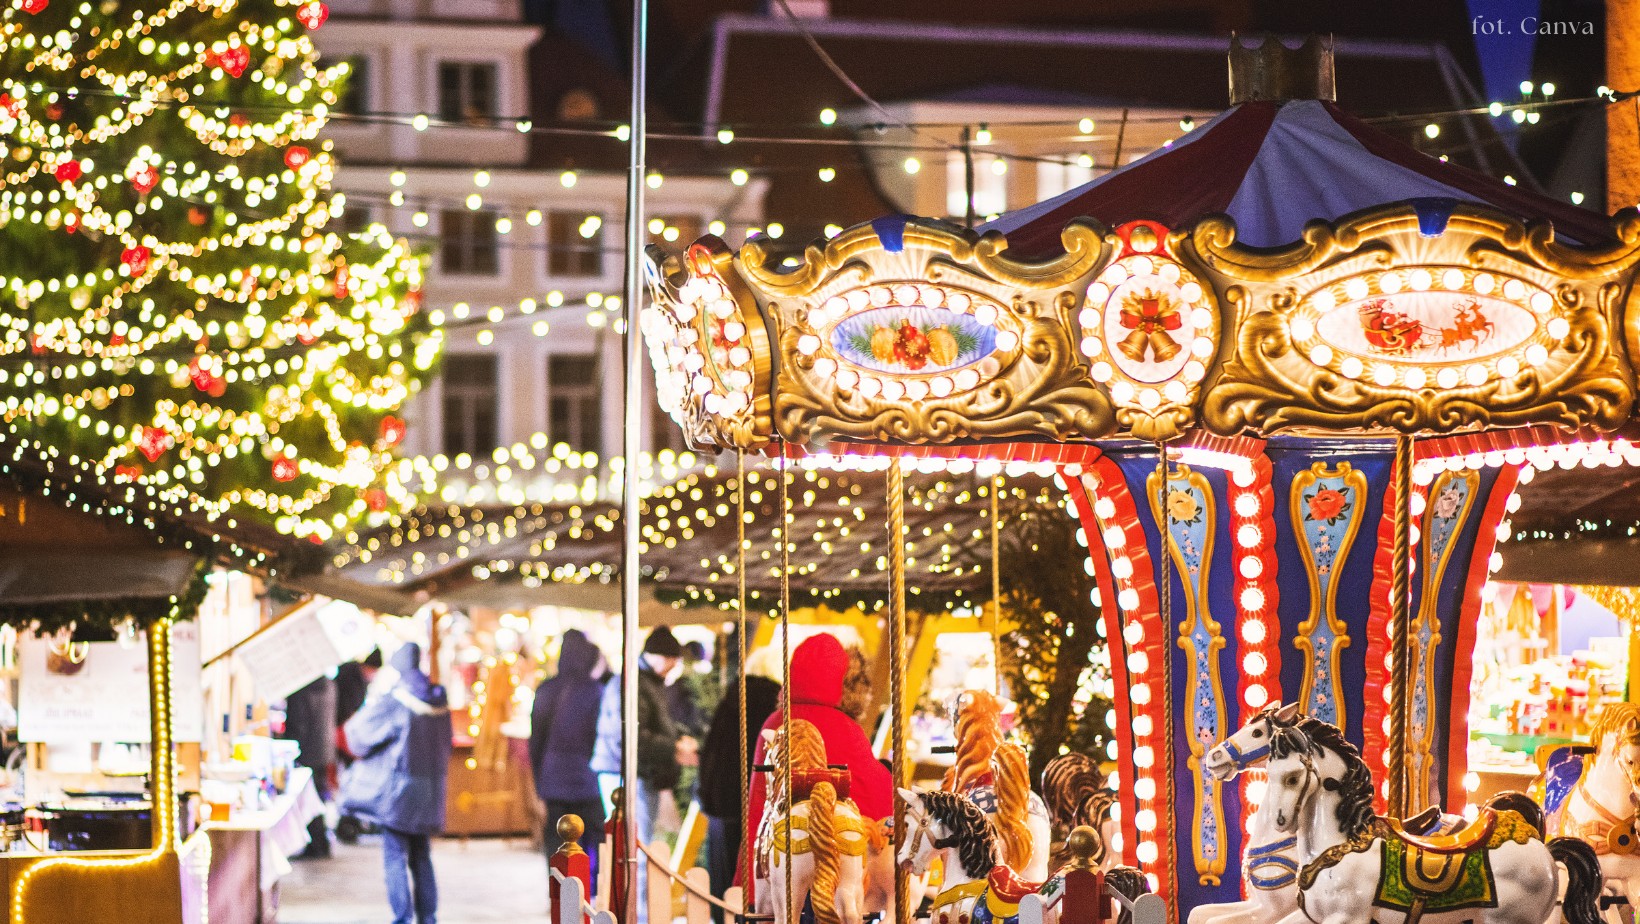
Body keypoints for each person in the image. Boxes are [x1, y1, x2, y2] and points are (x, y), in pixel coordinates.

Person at [744, 634, 891, 898]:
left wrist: (749, 884)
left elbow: (758, 802)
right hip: (835, 858)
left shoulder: (774, 722)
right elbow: (872, 789)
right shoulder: (846, 729)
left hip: (779, 854)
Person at [340, 643, 453, 924]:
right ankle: (429, 918)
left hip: (400, 791)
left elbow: (359, 735)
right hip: (432, 790)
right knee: (422, 855)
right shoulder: (440, 699)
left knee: (394, 856)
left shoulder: (397, 699)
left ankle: (402, 918)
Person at [698, 646, 781, 923]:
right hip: (747, 799)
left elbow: (711, 749)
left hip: (718, 800)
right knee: (746, 880)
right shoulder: (773, 704)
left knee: (722, 880)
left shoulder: (732, 697)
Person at [529, 630, 607, 884]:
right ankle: (589, 887)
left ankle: (559, 891)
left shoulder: (547, 689)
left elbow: (536, 740)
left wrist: (539, 782)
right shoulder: (595, 690)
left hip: (554, 777)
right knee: (593, 836)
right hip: (587, 777)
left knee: (556, 839)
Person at [280, 674, 337, 858]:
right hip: (324, 748)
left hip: (306, 749)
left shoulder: (301, 688)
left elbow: (297, 722)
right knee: (318, 796)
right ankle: (320, 843)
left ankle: (315, 844)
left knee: (308, 797)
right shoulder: (328, 685)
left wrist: (289, 747)